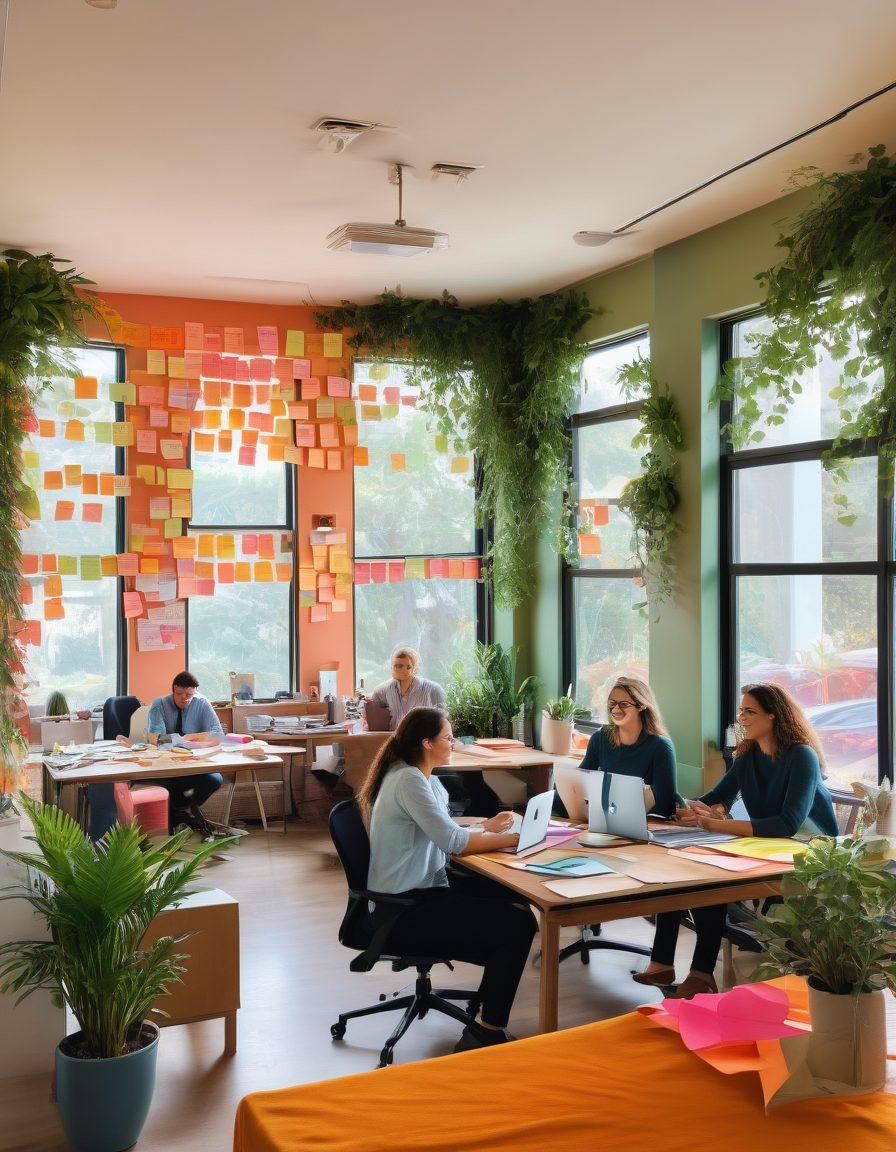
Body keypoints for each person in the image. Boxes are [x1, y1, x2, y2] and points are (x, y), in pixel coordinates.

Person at [635, 681, 838, 999]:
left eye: (750, 711)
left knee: (713, 881)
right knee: (701, 879)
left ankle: (701, 975)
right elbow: (716, 798)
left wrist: (718, 825)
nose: (742, 717)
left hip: (808, 852)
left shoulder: (802, 756)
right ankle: (700, 975)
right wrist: (696, 808)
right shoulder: (748, 754)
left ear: (774, 715)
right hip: (769, 847)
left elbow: (787, 823)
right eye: (741, 710)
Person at [359, 707, 537, 1052]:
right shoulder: (409, 780)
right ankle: (486, 1029)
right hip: (403, 909)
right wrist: (516, 839)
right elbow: (454, 843)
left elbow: (446, 832)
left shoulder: (423, 777)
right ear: (427, 743)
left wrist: (485, 828)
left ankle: (487, 1007)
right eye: (448, 737)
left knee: (509, 900)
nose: (453, 742)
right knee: (517, 924)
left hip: (420, 891)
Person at [579, 676, 677, 819]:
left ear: (641, 706)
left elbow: (664, 808)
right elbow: (580, 785)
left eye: (624, 704)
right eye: (612, 703)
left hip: (642, 827)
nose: (616, 709)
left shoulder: (661, 747)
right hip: (603, 819)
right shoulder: (599, 739)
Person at [146, 671, 225, 832]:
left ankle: (179, 812)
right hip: (165, 767)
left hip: (194, 765)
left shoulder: (202, 703)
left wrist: (194, 737)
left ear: (194, 691)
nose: (184, 698)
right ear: (173, 690)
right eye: (179, 693)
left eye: (189, 694)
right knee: (165, 786)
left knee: (215, 779)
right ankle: (180, 816)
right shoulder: (159, 704)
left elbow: (218, 735)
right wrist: (183, 739)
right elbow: (156, 738)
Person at [364, 646, 446, 731]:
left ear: (414, 668)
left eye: (408, 667)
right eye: (398, 666)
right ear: (392, 667)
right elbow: (372, 708)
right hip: (395, 739)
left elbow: (443, 721)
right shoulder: (384, 689)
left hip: (423, 740)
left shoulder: (433, 689)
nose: (402, 670)